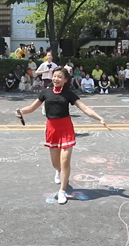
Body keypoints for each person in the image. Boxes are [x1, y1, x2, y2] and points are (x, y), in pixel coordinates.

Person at [16, 69, 107, 204]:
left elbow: (85, 108)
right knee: (55, 163)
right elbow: (31, 108)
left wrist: (99, 118)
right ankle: (58, 171)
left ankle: (62, 191)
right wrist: (21, 111)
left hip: (66, 129)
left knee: (65, 161)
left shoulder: (68, 94)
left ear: (65, 80)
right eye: (54, 76)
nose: (56, 79)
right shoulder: (45, 92)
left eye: (59, 77)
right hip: (52, 129)